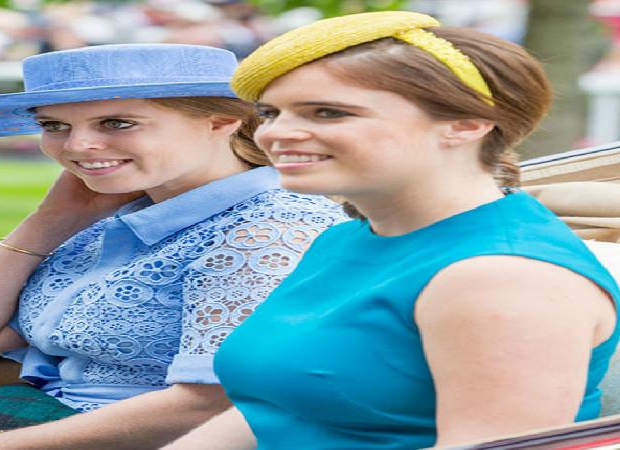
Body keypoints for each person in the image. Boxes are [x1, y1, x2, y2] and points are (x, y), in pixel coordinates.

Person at [0, 43, 345, 449]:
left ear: (221, 123)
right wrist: (48, 222)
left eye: (117, 123)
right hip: (32, 424)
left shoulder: (266, 230)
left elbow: (218, 405)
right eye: (55, 125)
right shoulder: (117, 216)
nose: (79, 146)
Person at [164, 11, 620, 450]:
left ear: (467, 124)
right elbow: (278, 407)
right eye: (270, 113)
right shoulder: (345, 237)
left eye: (327, 113)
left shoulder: (504, 277)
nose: (276, 134)